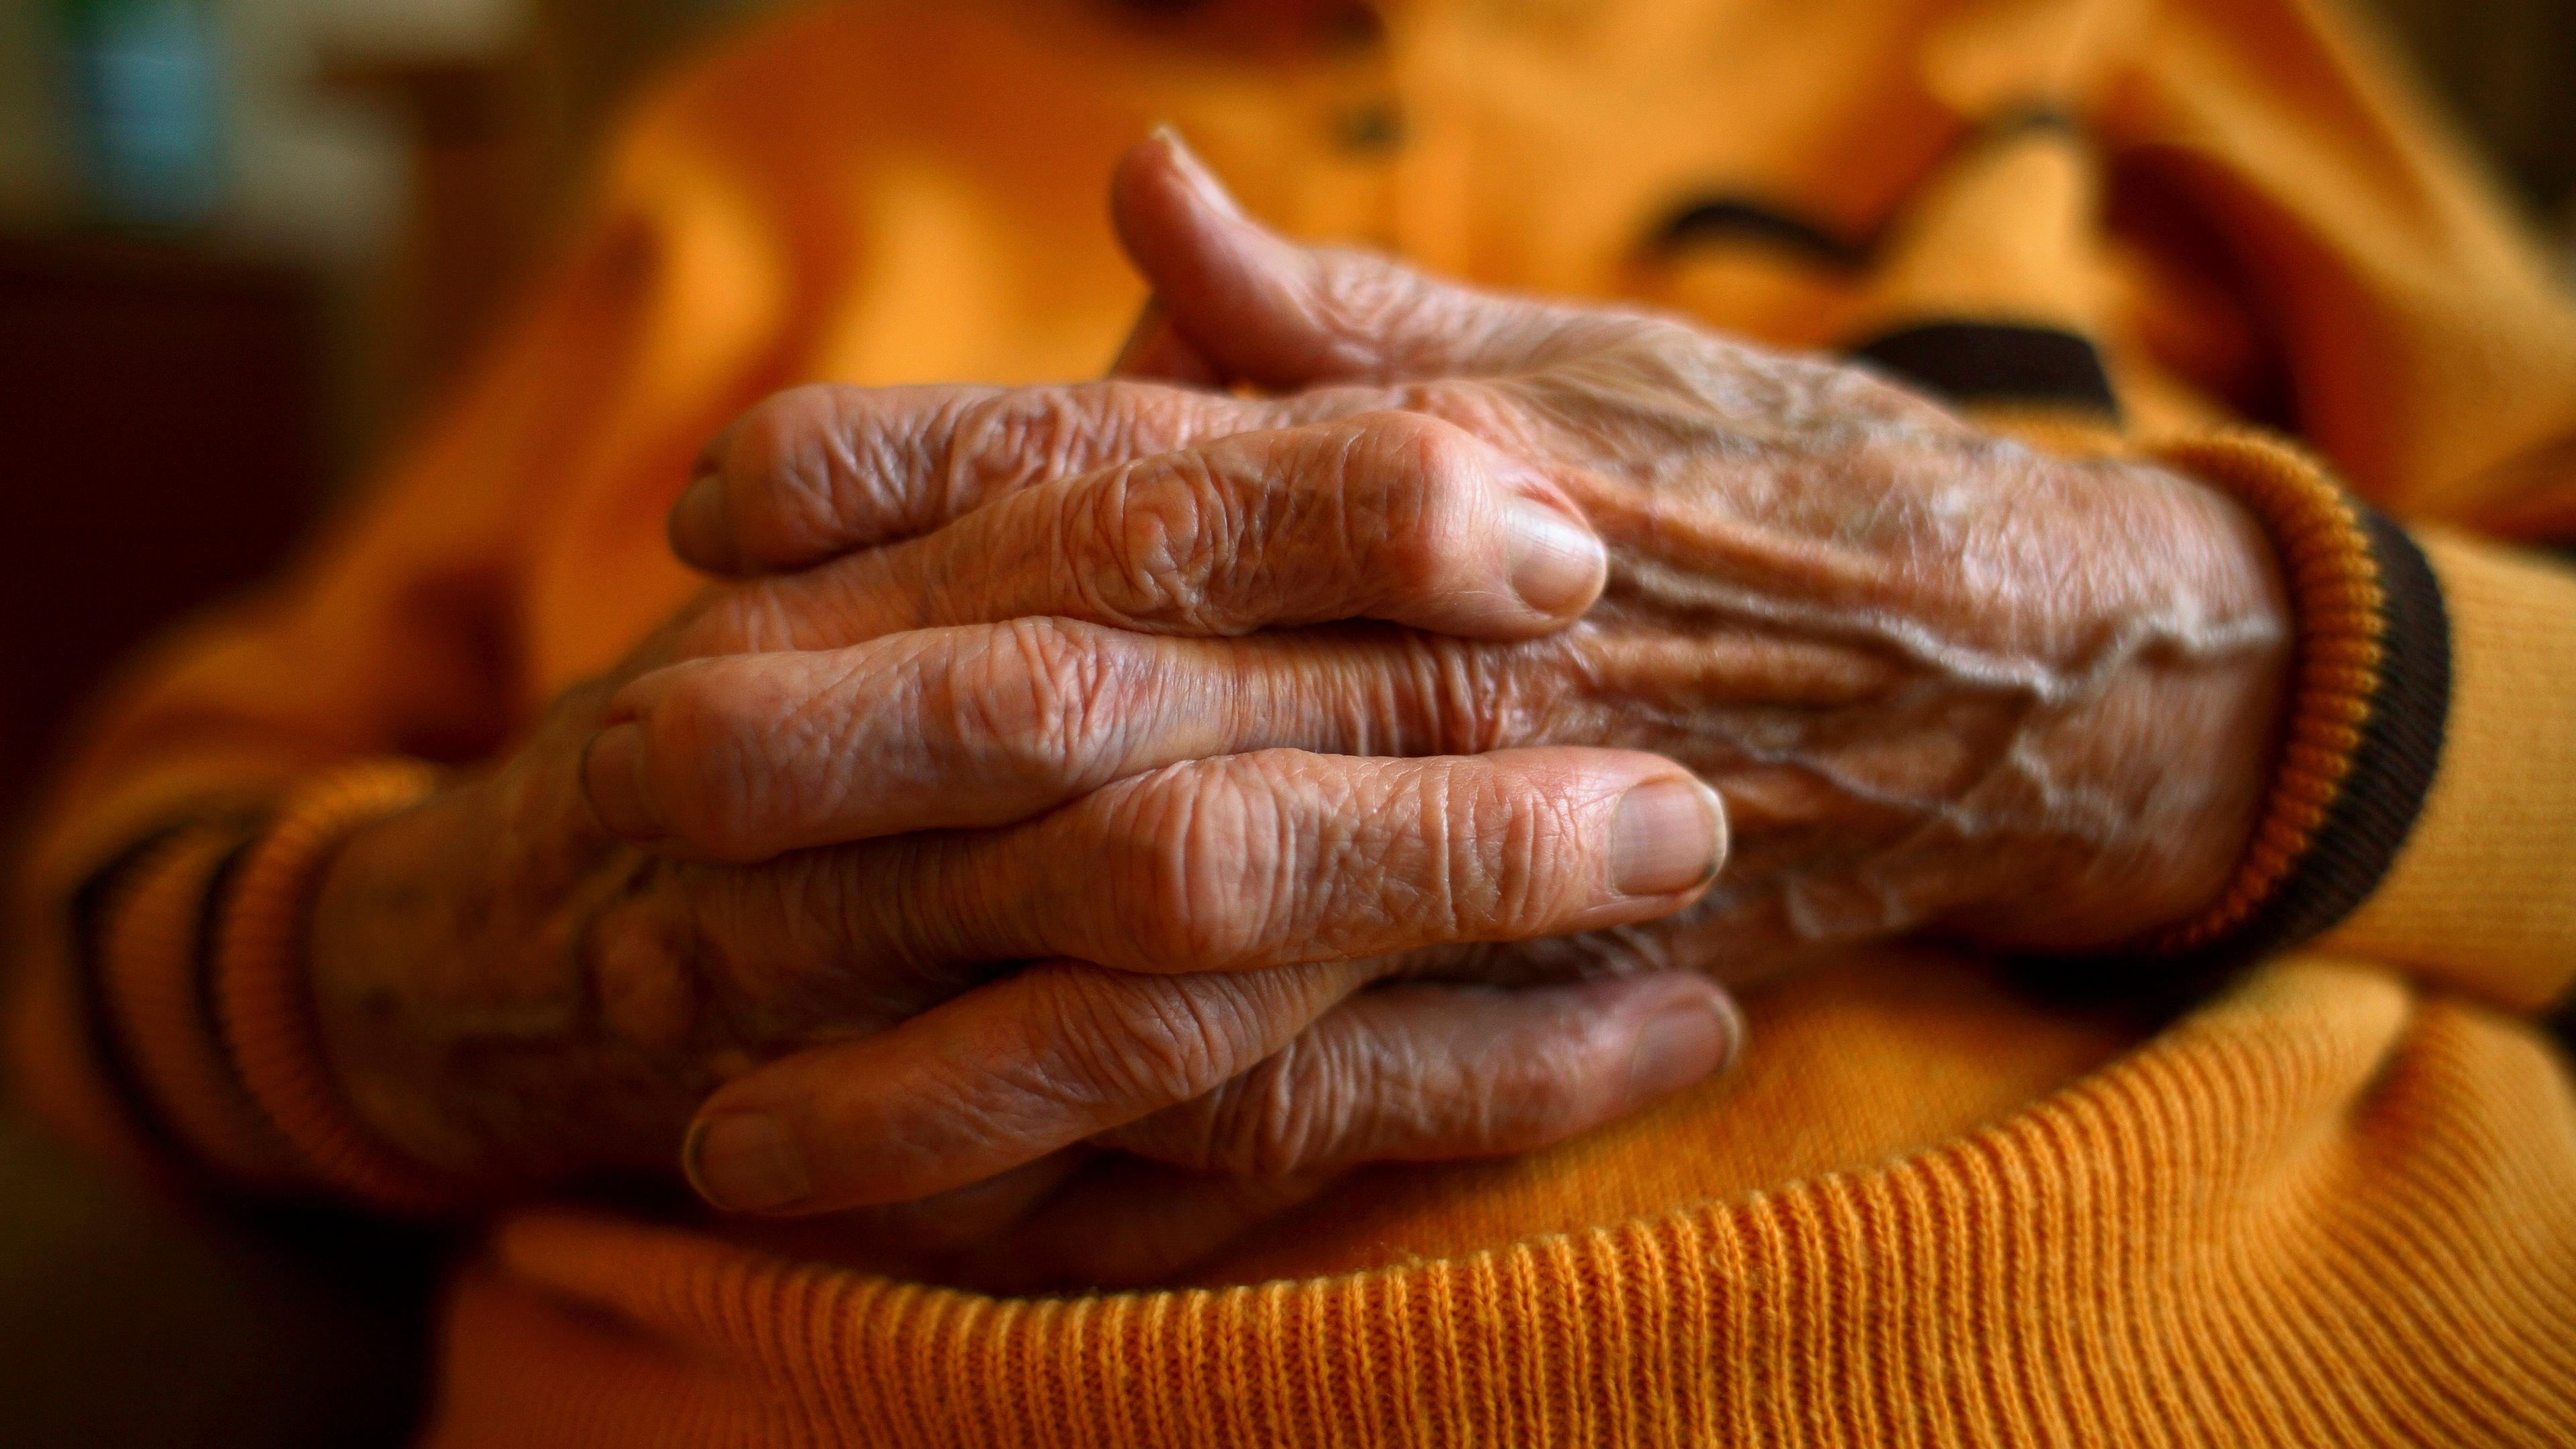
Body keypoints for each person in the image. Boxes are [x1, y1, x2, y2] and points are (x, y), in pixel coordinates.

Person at [13, 0, 2576, 1441]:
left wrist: (2164, 672)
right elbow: (123, 916)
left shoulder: (2129, 33)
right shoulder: (766, 135)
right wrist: (544, 966)